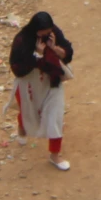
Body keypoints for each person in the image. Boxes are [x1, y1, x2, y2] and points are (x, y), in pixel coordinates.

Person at [9, 12, 74, 171]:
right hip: (30, 84)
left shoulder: (53, 33)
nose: (46, 35)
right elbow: (18, 69)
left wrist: (55, 48)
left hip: (52, 80)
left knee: (55, 117)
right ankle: (22, 126)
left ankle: (54, 155)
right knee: (30, 113)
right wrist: (37, 55)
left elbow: (68, 53)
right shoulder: (22, 40)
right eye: (43, 33)